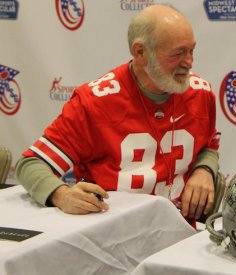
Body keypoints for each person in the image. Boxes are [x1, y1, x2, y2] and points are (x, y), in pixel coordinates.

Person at [16, 4, 221, 221]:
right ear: (140, 52)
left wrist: (205, 169)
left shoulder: (201, 93)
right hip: (110, 233)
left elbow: (207, 146)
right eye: (178, 53)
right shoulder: (93, 102)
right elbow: (30, 164)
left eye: (191, 50)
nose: (189, 62)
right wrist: (62, 194)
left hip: (179, 231)